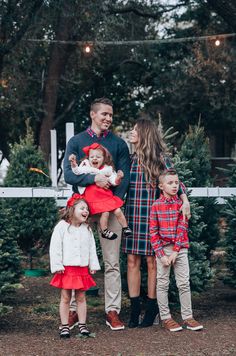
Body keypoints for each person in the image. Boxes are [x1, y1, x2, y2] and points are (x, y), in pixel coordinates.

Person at [64, 98, 130, 330]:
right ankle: (72, 311)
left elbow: (125, 178)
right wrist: (94, 178)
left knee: (112, 261)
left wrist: (116, 202)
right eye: (104, 114)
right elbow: (69, 176)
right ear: (92, 115)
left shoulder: (119, 144)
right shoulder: (76, 141)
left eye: (111, 115)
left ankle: (112, 310)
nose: (108, 118)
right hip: (81, 209)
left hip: (109, 210)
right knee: (76, 259)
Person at [122, 118, 191, 328]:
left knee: (153, 262)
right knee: (132, 261)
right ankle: (135, 312)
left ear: (145, 134)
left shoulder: (161, 160)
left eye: (135, 130)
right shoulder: (130, 159)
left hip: (154, 220)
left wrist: (185, 199)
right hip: (133, 215)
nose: (131, 133)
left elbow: (176, 183)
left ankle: (151, 311)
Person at [150, 169, 203, 332]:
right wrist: (161, 255)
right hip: (163, 250)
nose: (174, 186)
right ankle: (166, 317)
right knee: (163, 283)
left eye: (176, 183)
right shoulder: (156, 206)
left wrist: (175, 251)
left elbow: (182, 228)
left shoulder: (181, 205)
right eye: (170, 183)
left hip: (179, 249)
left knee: (183, 283)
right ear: (161, 186)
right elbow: (153, 232)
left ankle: (188, 317)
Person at [49, 194, 100, 338]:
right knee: (65, 297)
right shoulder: (62, 227)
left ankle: (82, 325)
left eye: (87, 209)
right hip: (66, 269)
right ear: (72, 209)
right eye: (82, 208)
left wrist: (93, 264)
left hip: (82, 268)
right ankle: (65, 326)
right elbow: (55, 247)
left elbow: (91, 248)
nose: (86, 211)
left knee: (81, 297)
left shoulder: (87, 229)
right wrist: (57, 264)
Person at [69, 142, 132, 240]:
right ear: (88, 158)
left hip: (105, 196)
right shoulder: (86, 168)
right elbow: (76, 171)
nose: (94, 159)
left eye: (98, 157)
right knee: (105, 213)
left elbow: (114, 182)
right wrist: (73, 163)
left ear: (104, 159)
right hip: (92, 197)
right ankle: (105, 230)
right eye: (92, 157)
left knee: (118, 210)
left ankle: (125, 227)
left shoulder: (107, 169)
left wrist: (118, 177)